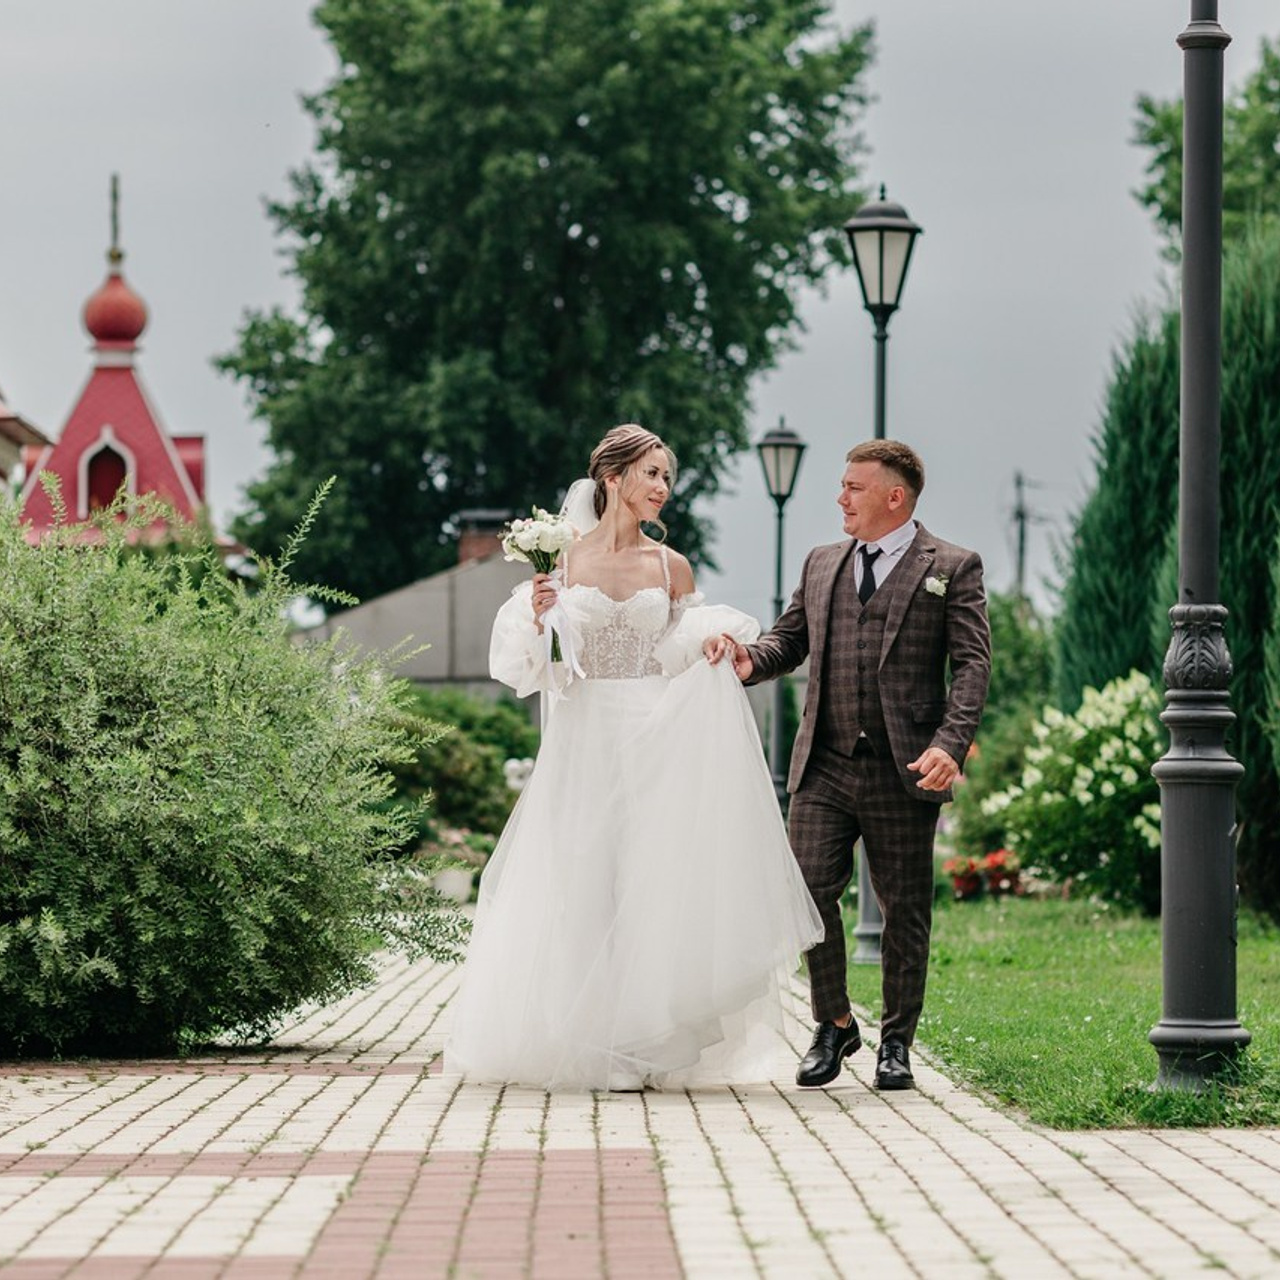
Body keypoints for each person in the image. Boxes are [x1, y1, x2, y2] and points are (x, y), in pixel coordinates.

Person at [446, 424, 822, 1091]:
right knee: (585, 880)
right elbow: (528, 666)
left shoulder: (669, 566)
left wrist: (711, 645)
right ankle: (588, 1040)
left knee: (652, 879)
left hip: (656, 730)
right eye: (652, 473)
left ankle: (641, 1041)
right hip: (586, 734)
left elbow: (682, 641)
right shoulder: (560, 563)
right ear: (612, 477)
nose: (662, 488)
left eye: (667, 477)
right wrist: (537, 618)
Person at [707, 439, 991, 1091]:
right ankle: (834, 1021)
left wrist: (950, 742)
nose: (840, 497)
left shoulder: (952, 565)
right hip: (825, 765)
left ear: (895, 497)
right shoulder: (820, 563)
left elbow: (972, 663)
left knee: (905, 911)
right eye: (842, 486)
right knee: (804, 894)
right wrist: (750, 659)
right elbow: (789, 640)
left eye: (853, 488)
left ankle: (896, 1042)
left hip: (906, 765)